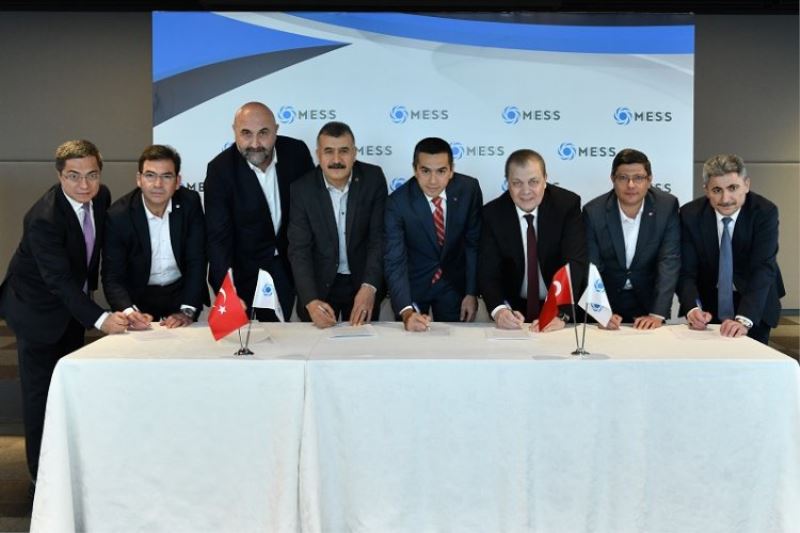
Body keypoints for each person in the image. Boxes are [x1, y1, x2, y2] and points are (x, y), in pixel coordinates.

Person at [0, 140, 128, 483]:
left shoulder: (100, 197)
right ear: (60, 176)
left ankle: (69, 465)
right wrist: (101, 319)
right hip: (35, 310)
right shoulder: (43, 219)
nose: (84, 185)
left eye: (92, 175)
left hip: (71, 308)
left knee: (69, 389)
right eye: (74, 176)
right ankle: (41, 477)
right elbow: (57, 280)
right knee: (41, 396)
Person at [204, 101, 314, 320]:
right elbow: (218, 239)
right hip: (244, 271)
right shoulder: (220, 170)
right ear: (234, 131)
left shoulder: (296, 153)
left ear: (276, 131)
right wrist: (226, 290)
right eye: (246, 133)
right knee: (246, 336)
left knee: (282, 333)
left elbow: (312, 209)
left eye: (263, 133)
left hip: (287, 266)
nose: (255, 144)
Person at [288, 122, 387, 328]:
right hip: (319, 287)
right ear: (318, 154)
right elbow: (299, 250)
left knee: (363, 345)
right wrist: (310, 300)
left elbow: (378, 239)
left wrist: (370, 286)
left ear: (354, 153)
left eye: (343, 151)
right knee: (316, 346)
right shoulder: (302, 189)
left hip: (362, 282)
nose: (336, 160)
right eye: (328, 151)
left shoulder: (373, 179)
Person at [678, 154, 785, 344]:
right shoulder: (690, 214)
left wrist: (744, 319)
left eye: (733, 188)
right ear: (706, 190)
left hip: (755, 299)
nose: (725, 199)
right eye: (717, 190)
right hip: (709, 303)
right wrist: (693, 308)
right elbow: (686, 270)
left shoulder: (764, 212)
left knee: (752, 360)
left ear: (746, 185)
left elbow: (763, 268)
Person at [478, 149, 587, 331]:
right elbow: (488, 272)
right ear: (507, 183)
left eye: (533, 182)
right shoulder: (493, 214)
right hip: (515, 310)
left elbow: (574, 264)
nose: (526, 191)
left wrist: (561, 313)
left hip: (559, 306)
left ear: (545, 180)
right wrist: (499, 310)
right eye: (517, 183)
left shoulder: (566, 206)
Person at [102, 145, 207, 328]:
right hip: (138, 297)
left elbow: (196, 261)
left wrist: (187, 311)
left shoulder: (190, 203)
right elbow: (113, 275)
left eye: (166, 176)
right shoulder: (119, 216)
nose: (158, 184)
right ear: (139, 179)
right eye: (150, 175)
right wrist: (129, 313)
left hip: (180, 293)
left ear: (177, 181)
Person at [384, 137, 482, 331]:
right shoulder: (397, 203)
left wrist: (471, 293)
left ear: (451, 170)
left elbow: (473, 244)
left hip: (454, 285)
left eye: (441, 171)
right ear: (415, 170)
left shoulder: (468, 189)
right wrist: (406, 311)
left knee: (456, 342)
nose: (433, 180)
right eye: (425, 171)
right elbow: (395, 260)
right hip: (413, 286)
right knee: (411, 345)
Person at [582, 148, 680, 329]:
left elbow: (669, 260)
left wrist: (657, 313)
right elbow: (592, 266)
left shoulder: (666, 207)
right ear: (612, 179)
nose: (631, 185)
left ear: (649, 180)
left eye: (639, 178)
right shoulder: (593, 212)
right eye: (623, 178)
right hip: (607, 300)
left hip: (649, 302)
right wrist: (600, 311)